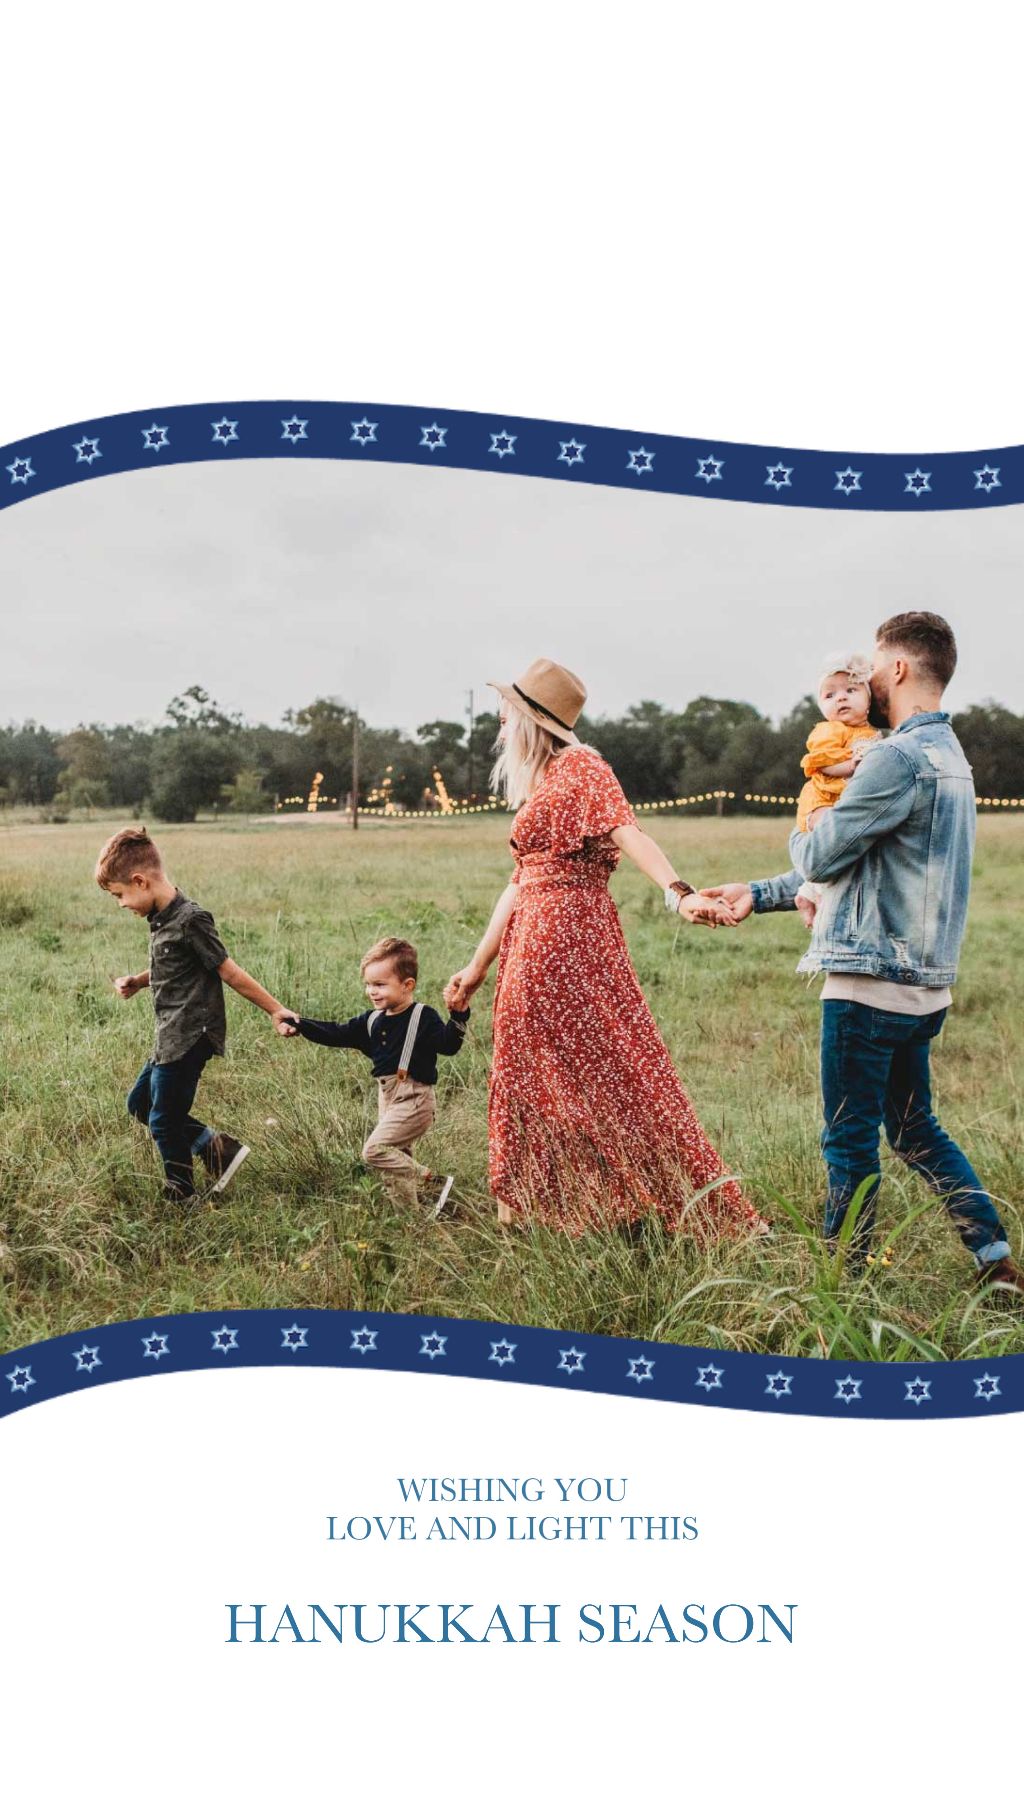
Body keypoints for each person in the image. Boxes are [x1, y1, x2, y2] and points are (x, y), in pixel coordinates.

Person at [703, 612, 1023, 1288]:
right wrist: (756, 894)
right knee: (914, 1132)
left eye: (874, 665)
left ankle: (847, 1282)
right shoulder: (952, 760)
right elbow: (861, 866)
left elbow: (821, 851)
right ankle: (994, 1262)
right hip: (924, 987)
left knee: (849, 1142)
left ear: (899, 669)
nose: (865, 678)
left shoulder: (895, 757)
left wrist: (808, 817)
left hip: (867, 984)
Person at [443, 657, 764, 1237]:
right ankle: (543, 1210)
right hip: (532, 939)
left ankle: (649, 1203)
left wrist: (678, 893)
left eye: (506, 711)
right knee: (530, 1073)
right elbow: (518, 883)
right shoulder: (544, 781)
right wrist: (476, 966)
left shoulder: (583, 767)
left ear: (531, 719)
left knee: (613, 1069)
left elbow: (628, 832)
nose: (498, 721)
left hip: (567, 938)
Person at [96, 826, 291, 1203]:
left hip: (191, 1035)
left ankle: (181, 1193)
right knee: (140, 1104)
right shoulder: (162, 920)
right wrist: (138, 980)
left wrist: (276, 1010)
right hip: (169, 1034)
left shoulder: (191, 919)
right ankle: (217, 1148)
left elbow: (228, 970)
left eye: (120, 895)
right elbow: (175, 967)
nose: (121, 904)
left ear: (140, 880)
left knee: (163, 1120)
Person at [276, 936, 468, 1216]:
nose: (372, 991)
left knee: (375, 1151)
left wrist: (459, 1016)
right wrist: (300, 1024)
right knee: (394, 1163)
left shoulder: (422, 1016)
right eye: (368, 984)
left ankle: (433, 1183)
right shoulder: (372, 1020)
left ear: (408, 985)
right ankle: (410, 1221)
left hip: (415, 1098)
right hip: (387, 1098)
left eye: (379, 985)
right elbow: (336, 1032)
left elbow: (448, 1046)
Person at [793, 653, 884, 927]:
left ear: (868, 700)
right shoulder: (830, 730)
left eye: (851, 690)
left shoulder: (871, 733)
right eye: (830, 695)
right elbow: (820, 762)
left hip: (842, 798)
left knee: (845, 845)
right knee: (831, 839)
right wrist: (849, 766)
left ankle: (807, 892)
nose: (841, 698)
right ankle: (818, 897)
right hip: (823, 798)